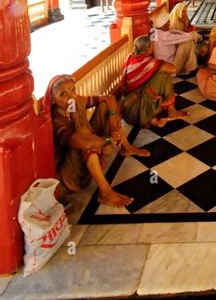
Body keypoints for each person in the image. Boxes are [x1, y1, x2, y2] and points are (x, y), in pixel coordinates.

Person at [42, 74, 150, 208]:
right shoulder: (57, 120)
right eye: (63, 94)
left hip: (87, 160)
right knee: (85, 136)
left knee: (105, 107)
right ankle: (105, 192)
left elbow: (109, 98)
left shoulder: (76, 102)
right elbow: (81, 142)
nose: (71, 96)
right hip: (72, 176)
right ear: (53, 100)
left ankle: (126, 147)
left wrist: (112, 126)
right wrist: (107, 139)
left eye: (72, 90)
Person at [120, 36, 189, 128]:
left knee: (159, 72)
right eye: (153, 45)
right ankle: (171, 111)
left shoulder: (130, 57)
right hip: (137, 101)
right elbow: (173, 69)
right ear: (148, 49)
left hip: (128, 101)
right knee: (164, 75)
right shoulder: (148, 62)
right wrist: (159, 66)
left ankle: (157, 117)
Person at [151, 6, 199, 75]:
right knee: (188, 42)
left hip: (161, 65)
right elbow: (189, 36)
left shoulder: (154, 31)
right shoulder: (165, 36)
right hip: (170, 68)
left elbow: (173, 33)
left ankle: (190, 64)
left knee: (184, 41)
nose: (169, 23)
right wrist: (195, 35)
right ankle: (191, 67)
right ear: (163, 25)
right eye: (168, 22)